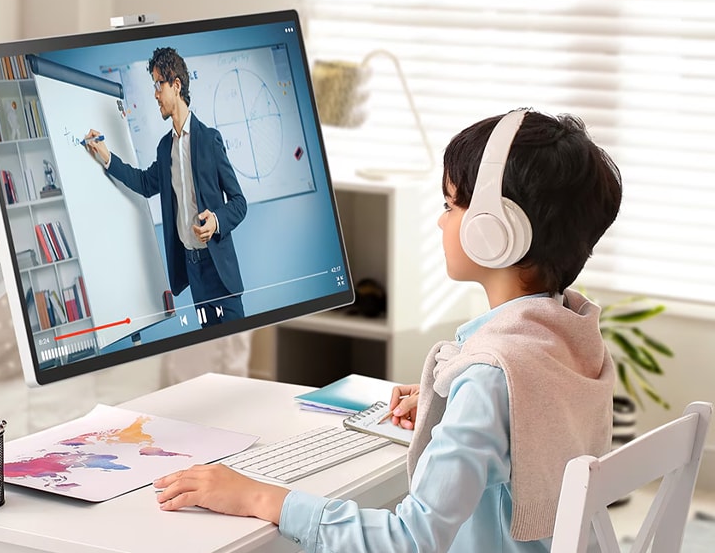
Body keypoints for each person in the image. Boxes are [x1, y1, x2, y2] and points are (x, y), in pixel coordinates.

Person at [152, 109, 623, 552]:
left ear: (494, 230)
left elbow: (409, 540)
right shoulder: (569, 332)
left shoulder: (491, 379)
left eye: (450, 204)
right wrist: (463, 409)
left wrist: (262, 498)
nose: (440, 220)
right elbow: (528, 414)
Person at [83, 47, 247, 327]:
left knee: (233, 347)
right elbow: (146, 183)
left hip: (219, 268)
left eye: (159, 85)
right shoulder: (164, 148)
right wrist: (107, 157)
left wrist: (216, 221)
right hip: (193, 268)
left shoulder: (209, 140)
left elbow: (239, 202)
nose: (155, 94)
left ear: (176, 85)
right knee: (208, 349)